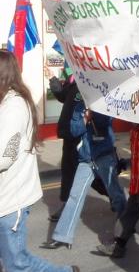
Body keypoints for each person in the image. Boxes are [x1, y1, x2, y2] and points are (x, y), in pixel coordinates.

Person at [0, 50, 78, 272]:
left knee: (16, 264)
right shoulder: (6, 103)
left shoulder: (14, 107)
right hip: (6, 196)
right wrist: (53, 80)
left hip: (10, 200)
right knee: (17, 258)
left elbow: (4, 156)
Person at [42, 99, 127, 249]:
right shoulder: (79, 106)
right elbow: (74, 130)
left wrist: (94, 113)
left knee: (115, 194)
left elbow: (105, 124)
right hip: (85, 158)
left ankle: (125, 226)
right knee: (74, 196)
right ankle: (62, 236)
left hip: (104, 156)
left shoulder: (106, 102)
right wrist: (85, 118)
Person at [96, 124, 139, 258]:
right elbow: (137, 155)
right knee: (129, 215)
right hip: (138, 183)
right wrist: (125, 163)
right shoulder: (135, 132)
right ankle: (118, 246)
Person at [44, 65, 80, 222]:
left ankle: (117, 201)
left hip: (83, 136)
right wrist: (52, 78)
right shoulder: (73, 79)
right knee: (68, 171)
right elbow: (62, 96)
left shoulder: (90, 80)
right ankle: (65, 205)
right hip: (69, 135)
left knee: (97, 176)